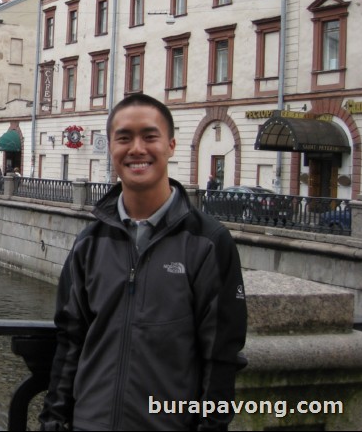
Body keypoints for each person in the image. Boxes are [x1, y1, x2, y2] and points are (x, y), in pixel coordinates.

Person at [39, 93, 247, 431]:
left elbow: (221, 356)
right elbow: (70, 340)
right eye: (124, 138)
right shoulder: (90, 242)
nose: (137, 148)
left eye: (149, 136)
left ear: (171, 145)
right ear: (111, 147)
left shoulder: (207, 242)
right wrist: (53, 421)